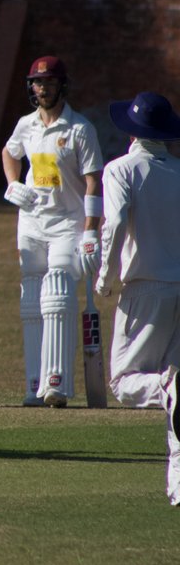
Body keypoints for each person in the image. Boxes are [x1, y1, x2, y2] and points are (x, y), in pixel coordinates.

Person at [1, 56, 104, 408]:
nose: (41, 89)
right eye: (36, 83)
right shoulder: (26, 125)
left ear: (62, 85)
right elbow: (9, 152)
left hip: (68, 223)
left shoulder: (80, 129)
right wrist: (13, 183)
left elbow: (93, 181)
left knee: (57, 292)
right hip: (31, 222)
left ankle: (56, 384)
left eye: (47, 82)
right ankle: (34, 385)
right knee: (31, 298)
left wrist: (91, 231)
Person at [95, 91, 180, 506]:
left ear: (131, 132)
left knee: (125, 384)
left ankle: (167, 384)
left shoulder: (120, 170)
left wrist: (104, 279)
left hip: (145, 287)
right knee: (177, 399)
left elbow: (112, 225)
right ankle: (179, 486)